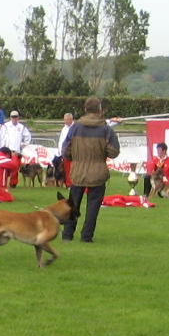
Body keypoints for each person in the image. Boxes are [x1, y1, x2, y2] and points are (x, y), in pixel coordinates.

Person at [61, 97, 122, 243]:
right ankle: (86, 236)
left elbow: (65, 150)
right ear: (100, 111)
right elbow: (114, 152)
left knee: (72, 205)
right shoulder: (106, 129)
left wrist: (76, 158)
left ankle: (67, 235)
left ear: (85, 110)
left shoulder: (75, 127)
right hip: (98, 172)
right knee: (93, 207)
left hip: (78, 171)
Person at [0, 111, 32, 186]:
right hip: (7, 151)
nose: (14, 118)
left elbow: (28, 136)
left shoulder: (21, 127)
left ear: (18, 117)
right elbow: (1, 137)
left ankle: (13, 183)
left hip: (17, 151)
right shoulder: (5, 126)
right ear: (10, 117)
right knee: (5, 169)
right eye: (13, 117)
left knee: (15, 168)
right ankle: (3, 183)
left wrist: (24, 144)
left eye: (15, 117)